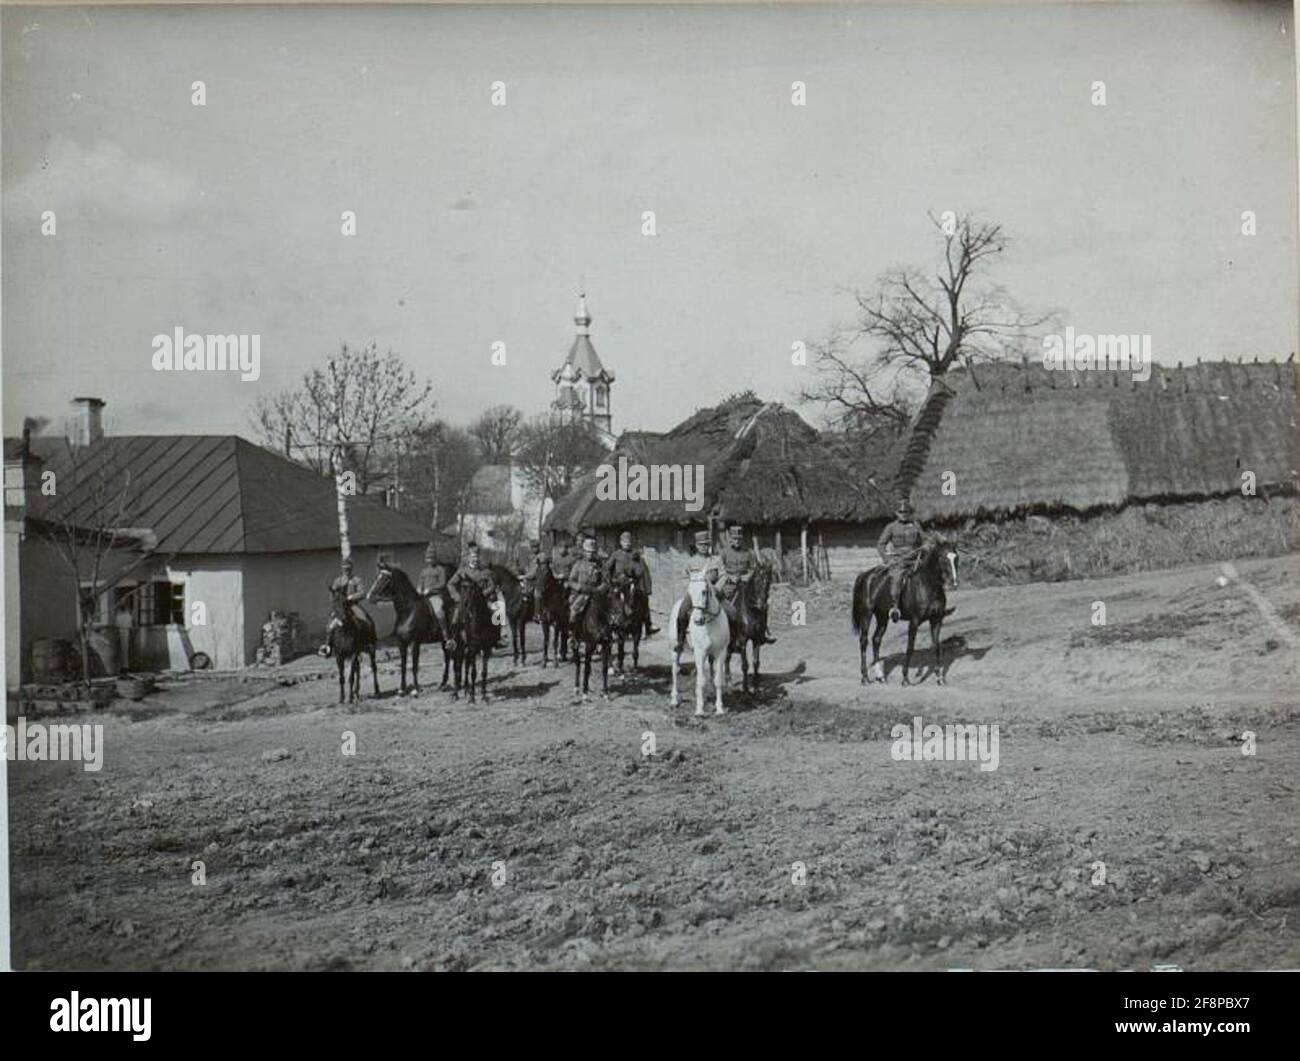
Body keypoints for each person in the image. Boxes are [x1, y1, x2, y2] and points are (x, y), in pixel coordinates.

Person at [719, 522, 776, 645]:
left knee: (762, 603)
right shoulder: (724, 553)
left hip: (746, 584)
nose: (737, 541)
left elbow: (753, 569)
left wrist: (746, 576)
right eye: (734, 539)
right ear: (730, 539)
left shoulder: (749, 552)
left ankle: (763, 630)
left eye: (739, 539)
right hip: (729, 584)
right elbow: (720, 568)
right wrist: (730, 577)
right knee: (724, 605)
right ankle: (725, 633)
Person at [675, 528, 726, 650]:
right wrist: (693, 590)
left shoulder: (716, 560)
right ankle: (681, 641)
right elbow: (684, 577)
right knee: (682, 613)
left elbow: (724, 575)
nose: (704, 547)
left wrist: (717, 588)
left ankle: (730, 641)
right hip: (696, 595)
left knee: (732, 613)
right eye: (701, 545)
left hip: (714, 594)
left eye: (706, 544)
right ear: (696, 546)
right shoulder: (690, 562)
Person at [448, 542, 507, 646]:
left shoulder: (484, 572)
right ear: (468, 558)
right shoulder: (462, 571)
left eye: (476, 558)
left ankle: (498, 637)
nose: (475, 560)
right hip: (466, 599)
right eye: (472, 557)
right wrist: (456, 597)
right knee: (456, 615)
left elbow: (492, 586)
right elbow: (450, 584)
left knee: (497, 610)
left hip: (482, 599)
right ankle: (452, 639)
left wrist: (484, 593)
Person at [877, 499, 925, 622]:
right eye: (901, 512)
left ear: (909, 513)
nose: (903, 514)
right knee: (897, 579)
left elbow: (924, 541)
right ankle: (895, 607)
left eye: (906, 512)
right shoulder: (891, 527)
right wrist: (888, 560)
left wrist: (926, 546)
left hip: (915, 560)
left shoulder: (915, 525)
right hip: (898, 561)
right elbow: (880, 544)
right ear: (896, 513)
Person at [607, 529, 659, 637]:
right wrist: (611, 580)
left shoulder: (635, 555)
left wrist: (646, 589)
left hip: (632, 583)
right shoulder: (616, 555)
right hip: (619, 583)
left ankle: (648, 625)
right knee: (612, 600)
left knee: (643, 600)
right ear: (620, 542)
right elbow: (607, 568)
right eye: (625, 541)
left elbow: (643, 570)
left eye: (629, 541)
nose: (627, 543)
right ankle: (610, 624)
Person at [323, 556, 371, 654]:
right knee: (330, 624)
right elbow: (332, 594)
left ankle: (367, 643)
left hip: (353, 605)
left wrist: (351, 597)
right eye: (345, 568)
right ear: (342, 569)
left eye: (348, 568)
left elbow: (362, 593)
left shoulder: (357, 580)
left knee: (365, 620)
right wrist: (335, 599)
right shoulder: (338, 581)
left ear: (351, 568)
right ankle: (328, 647)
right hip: (340, 607)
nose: (346, 571)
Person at [566, 534, 606, 627]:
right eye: (588, 551)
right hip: (581, 593)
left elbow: (605, 580)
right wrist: (578, 586)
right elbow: (571, 580)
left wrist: (601, 588)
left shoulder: (600, 565)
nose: (590, 554)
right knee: (574, 611)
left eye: (592, 552)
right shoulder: (578, 564)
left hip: (596, 593)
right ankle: (572, 635)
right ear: (584, 551)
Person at [416, 543, 450, 635]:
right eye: (428, 558)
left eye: (432, 558)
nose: (430, 560)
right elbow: (420, 583)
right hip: (424, 596)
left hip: (435, 596)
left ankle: (444, 632)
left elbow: (442, 583)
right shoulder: (424, 571)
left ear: (435, 558)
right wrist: (419, 589)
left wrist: (430, 589)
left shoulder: (440, 569)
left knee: (439, 611)